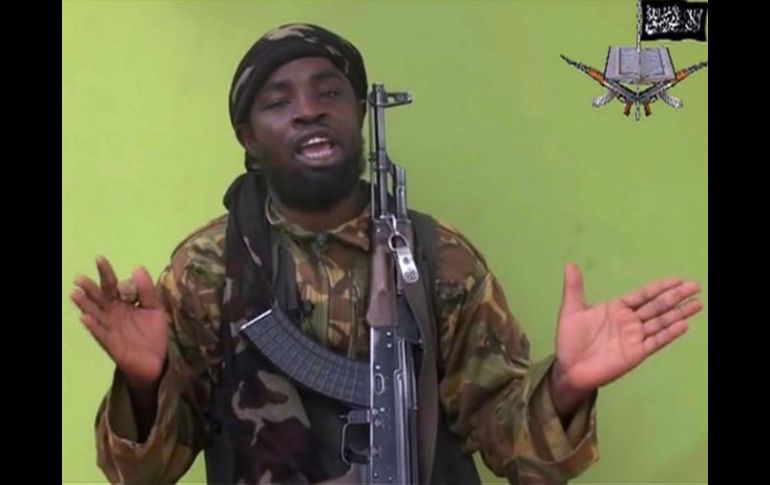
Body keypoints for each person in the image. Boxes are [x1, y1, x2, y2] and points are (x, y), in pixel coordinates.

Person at [70, 23, 703, 485]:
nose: (308, 110)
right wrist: (144, 386)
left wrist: (565, 387)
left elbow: (519, 453)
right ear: (249, 139)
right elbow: (142, 474)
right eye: (278, 101)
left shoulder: (438, 258)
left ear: (358, 114)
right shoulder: (208, 268)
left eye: (329, 92)